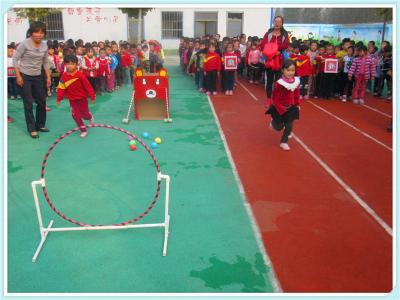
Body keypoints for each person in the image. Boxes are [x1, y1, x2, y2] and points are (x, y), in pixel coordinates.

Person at [13, 21, 51, 138]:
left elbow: (45, 61)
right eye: (36, 32)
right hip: (25, 77)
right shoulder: (24, 44)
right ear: (31, 33)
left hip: (38, 76)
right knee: (28, 103)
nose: (39, 35)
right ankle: (32, 128)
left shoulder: (44, 46)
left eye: (41, 32)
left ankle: (40, 125)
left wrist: (48, 77)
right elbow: (15, 59)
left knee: (41, 101)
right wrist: (18, 76)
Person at [56, 55, 95, 138]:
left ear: (76, 64)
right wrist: (59, 98)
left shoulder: (80, 75)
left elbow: (88, 86)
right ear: (65, 64)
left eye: (72, 64)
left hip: (82, 99)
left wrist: (92, 96)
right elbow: (61, 88)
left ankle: (90, 117)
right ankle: (83, 130)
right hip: (72, 101)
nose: (70, 66)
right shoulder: (64, 77)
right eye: (68, 64)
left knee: (85, 115)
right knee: (75, 115)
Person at [266, 60, 300, 151]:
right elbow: (275, 98)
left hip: (290, 108)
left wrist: (297, 104)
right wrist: (281, 109)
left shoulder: (296, 81)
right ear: (283, 70)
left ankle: (283, 142)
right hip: (279, 108)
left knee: (289, 126)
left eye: (292, 70)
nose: (290, 72)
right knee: (278, 127)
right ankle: (273, 123)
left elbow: (296, 94)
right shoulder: (280, 83)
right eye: (288, 70)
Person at [259, 16, 289, 99]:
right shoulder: (268, 34)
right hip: (269, 60)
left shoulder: (285, 34)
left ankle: (276, 99)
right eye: (276, 21)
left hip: (280, 61)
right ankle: (268, 99)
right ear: (273, 22)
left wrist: (278, 50)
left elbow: (286, 45)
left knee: (279, 81)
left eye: (279, 22)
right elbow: (263, 44)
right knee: (269, 81)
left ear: (282, 23)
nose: (277, 23)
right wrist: (271, 51)